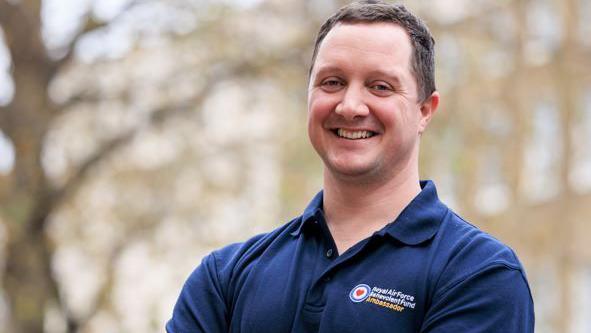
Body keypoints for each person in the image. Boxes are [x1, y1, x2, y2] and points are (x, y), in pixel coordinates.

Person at [166, 1, 535, 332]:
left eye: (380, 87)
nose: (350, 106)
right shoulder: (224, 278)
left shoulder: (478, 275)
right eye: (332, 82)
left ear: (425, 110)